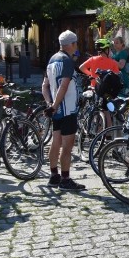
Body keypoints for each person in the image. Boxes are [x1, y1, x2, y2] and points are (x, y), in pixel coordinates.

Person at [42, 30, 85, 191]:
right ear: (72, 44)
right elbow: (64, 85)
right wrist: (55, 105)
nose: (77, 47)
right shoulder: (67, 61)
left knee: (56, 143)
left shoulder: (52, 60)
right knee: (67, 146)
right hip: (66, 109)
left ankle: (54, 176)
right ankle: (65, 179)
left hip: (56, 110)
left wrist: (50, 104)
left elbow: (44, 85)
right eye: (76, 44)